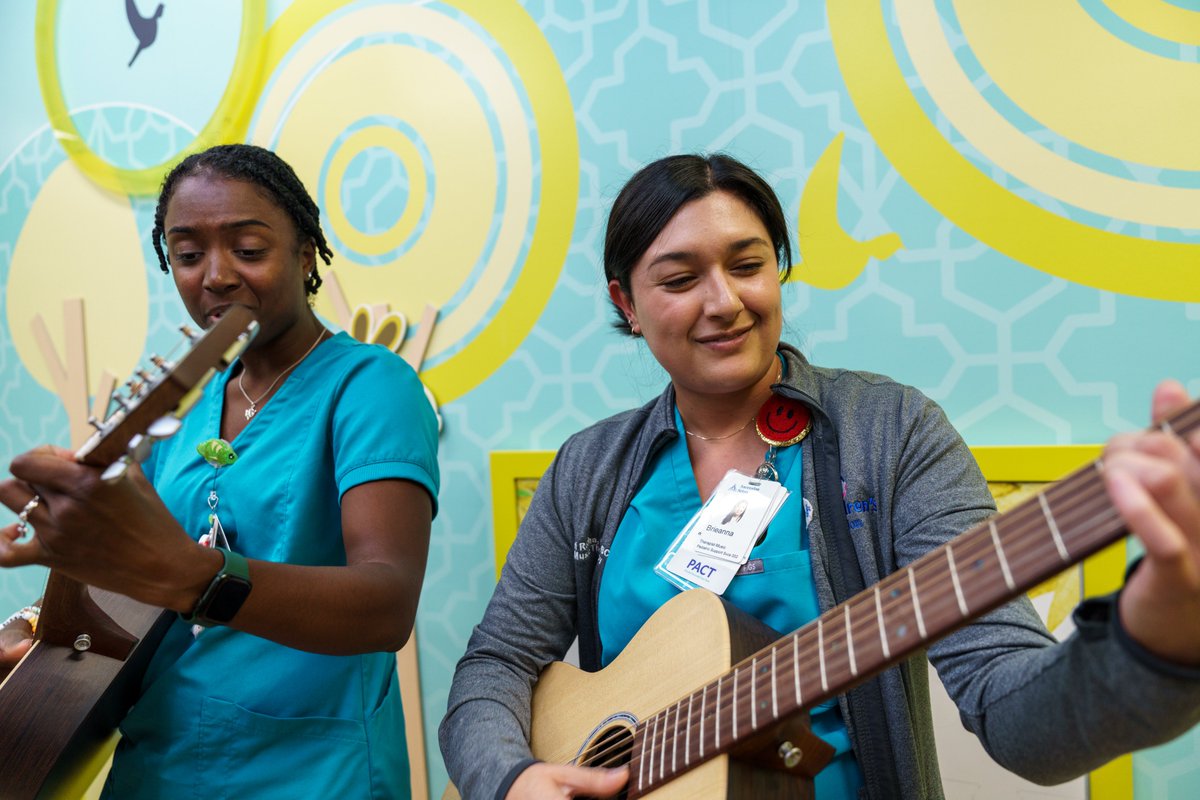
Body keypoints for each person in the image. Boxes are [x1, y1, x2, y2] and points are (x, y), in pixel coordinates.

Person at [439, 153, 1200, 799]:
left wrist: (1155, 638)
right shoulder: (586, 470)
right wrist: (509, 778)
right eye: (679, 279)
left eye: (748, 265)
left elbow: (1018, 719)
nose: (724, 302)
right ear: (626, 303)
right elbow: (495, 665)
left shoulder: (894, 435)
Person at [0, 143, 439, 798]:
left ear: (306, 253)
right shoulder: (178, 410)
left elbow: (386, 605)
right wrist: (32, 628)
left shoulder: (371, 385)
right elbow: (130, 580)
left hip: (311, 773)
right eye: (187, 255)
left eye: (249, 249)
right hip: (159, 766)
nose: (216, 276)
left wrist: (195, 576)